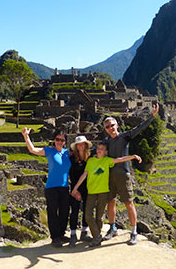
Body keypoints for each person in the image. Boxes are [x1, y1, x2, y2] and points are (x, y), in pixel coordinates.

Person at [103, 103, 159, 245]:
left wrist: (151, 117)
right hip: (110, 176)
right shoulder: (106, 142)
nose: (110, 128)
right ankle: (112, 228)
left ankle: (134, 231)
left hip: (123, 174)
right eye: (107, 127)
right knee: (111, 202)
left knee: (129, 203)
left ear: (116, 125)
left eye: (112, 125)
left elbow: (139, 128)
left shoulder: (125, 137)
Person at [71, 141, 141, 247]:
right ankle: (98, 236)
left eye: (101, 149)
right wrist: (75, 188)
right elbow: (84, 175)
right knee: (88, 215)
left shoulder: (107, 161)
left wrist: (133, 157)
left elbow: (120, 159)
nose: (99, 150)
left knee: (99, 217)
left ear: (106, 152)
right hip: (91, 192)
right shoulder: (91, 161)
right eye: (98, 148)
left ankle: (96, 238)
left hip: (103, 192)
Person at [22, 127, 71, 248]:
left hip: (64, 187)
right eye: (57, 139)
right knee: (53, 212)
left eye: (62, 140)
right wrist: (26, 136)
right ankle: (55, 237)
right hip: (51, 187)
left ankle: (61, 234)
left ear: (65, 141)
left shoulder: (67, 153)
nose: (59, 141)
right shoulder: (49, 151)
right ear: (54, 140)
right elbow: (33, 150)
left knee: (64, 212)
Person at [68, 135, 92, 247]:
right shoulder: (71, 158)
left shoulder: (90, 158)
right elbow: (70, 174)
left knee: (87, 210)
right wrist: (74, 190)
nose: (81, 146)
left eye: (82, 144)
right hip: (75, 188)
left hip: (87, 187)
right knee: (75, 210)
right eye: (78, 144)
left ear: (86, 145)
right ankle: (73, 234)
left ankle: (84, 232)